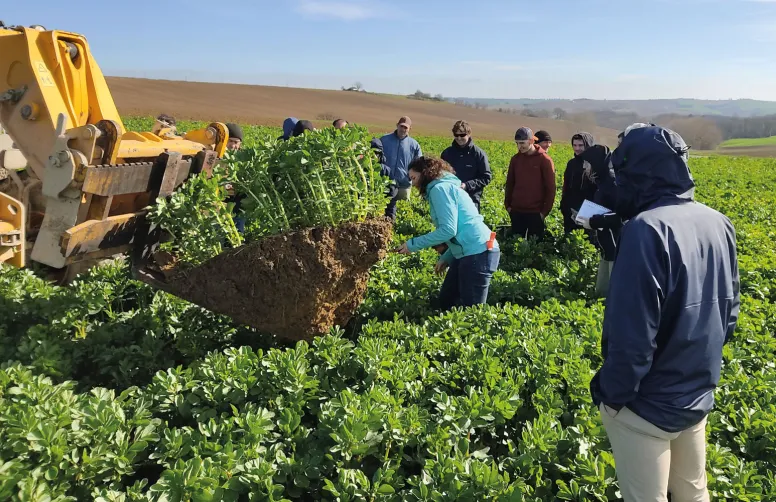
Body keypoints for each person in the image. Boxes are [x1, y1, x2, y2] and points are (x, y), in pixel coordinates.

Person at [590, 125, 740, 502]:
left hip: (646, 405)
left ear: (638, 173)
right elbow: (729, 316)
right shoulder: (718, 221)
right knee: (693, 491)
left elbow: (632, 337)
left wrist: (613, 396)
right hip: (696, 391)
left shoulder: (645, 229)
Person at [395, 156, 499, 309]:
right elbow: (459, 229)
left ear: (425, 173)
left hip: (479, 252)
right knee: (447, 301)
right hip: (469, 251)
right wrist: (447, 257)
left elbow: (448, 230)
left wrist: (412, 245)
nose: (413, 183)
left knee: (472, 309)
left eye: (414, 178)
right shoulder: (443, 187)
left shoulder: (439, 190)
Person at [504, 127, 556, 240]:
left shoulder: (545, 160)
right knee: (516, 245)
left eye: (522, 143)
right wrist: (508, 206)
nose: (519, 146)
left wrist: (543, 213)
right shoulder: (515, 160)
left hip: (535, 213)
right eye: (517, 143)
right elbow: (510, 184)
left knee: (534, 247)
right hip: (516, 211)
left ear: (531, 141)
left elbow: (551, 189)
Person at [440, 120, 492, 212]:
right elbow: (440, 174)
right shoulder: (447, 153)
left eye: (462, 135)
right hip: (450, 199)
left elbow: (486, 177)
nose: (459, 138)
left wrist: (467, 185)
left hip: (471, 200)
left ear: (469, 134)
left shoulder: (478, 154)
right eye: (456, 135)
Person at [380, 116, 422, 220]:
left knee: (401, 214)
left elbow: (419, 165)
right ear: (397, 125)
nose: (403, 129)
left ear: (410, 129)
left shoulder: (414, 145)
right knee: (382, 213)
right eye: (401, 126)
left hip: (403, 185)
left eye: (406, 127)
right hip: (385, 184)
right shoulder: (384, 140)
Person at [559, 132, 597, 235]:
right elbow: (566, 187)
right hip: (570, 213)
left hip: (588, 214)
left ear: (588, 145)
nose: (577, 148)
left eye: (580, 145)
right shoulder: (571, 164)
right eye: (574, 145)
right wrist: (565, 207)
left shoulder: (594, 165)